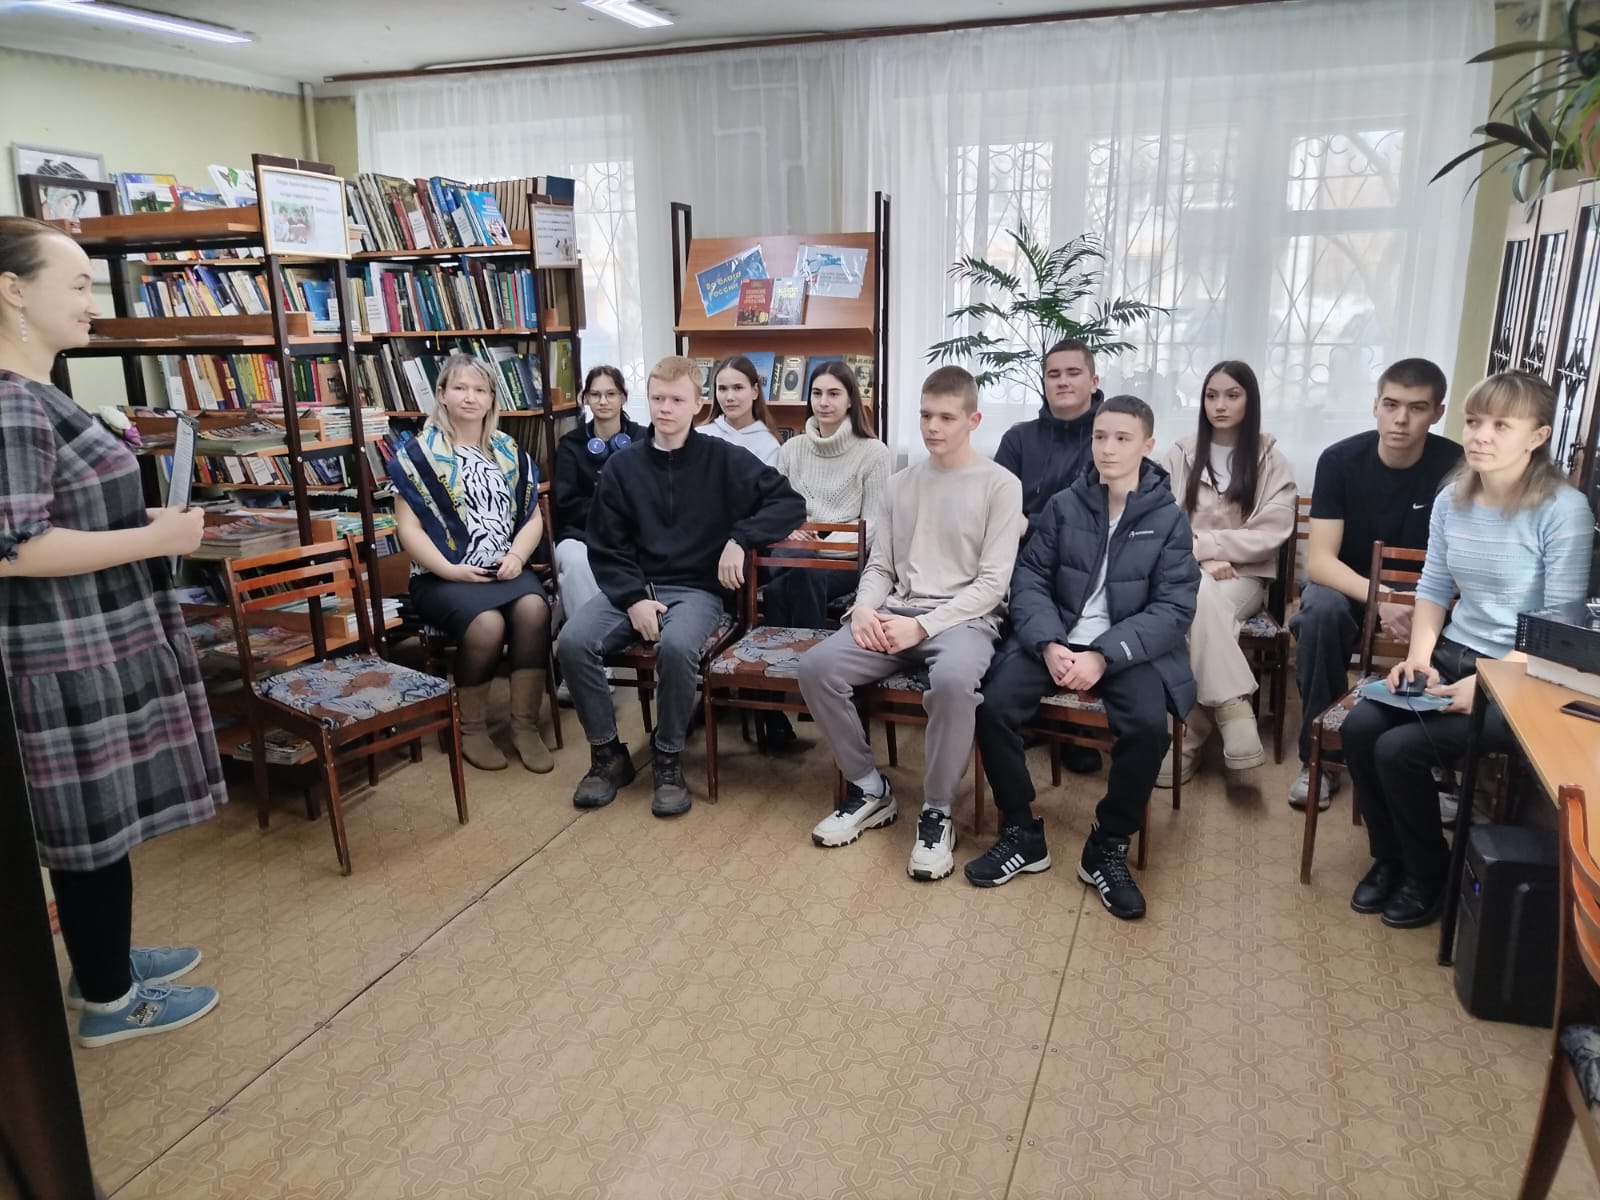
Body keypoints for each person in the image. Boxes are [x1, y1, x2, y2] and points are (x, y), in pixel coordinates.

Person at [0, 215, 222, 1046]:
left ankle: (105, 961)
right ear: (13, 291)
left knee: (101, 825)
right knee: (88, 830)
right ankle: (109, 1002)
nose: (94, 302)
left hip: (96, 640)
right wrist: (154, 540)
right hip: (64, 653)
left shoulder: (41, 391)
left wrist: (143, 521)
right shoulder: (10, 402)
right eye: (79, 285)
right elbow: (14, 547)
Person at [1339, 372, 1593, 929]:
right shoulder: (1452, 499)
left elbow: (1560, 625)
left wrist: (1488, 685)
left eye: (1501, 425)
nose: (1480, 435)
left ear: (1537, 436)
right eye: (1475, 421)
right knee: (1359, 729)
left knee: (1399, 750)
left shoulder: (1564, 509)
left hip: (1525, 679)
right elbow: (1433, 589)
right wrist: (1419, 658)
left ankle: (1428, 873)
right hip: (1452, 654)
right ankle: (1389, 858)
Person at [969, 396, 1199, 920]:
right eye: (1100, 437)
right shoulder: (1065, 505)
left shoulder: (1168, 519)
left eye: (1122, 438)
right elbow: (1029, 578)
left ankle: (1107, 845)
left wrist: (1103, 655)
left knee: (1148, 728)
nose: (1107, 448)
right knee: (992, 705)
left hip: (1126, 649)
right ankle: (1021, 831)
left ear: (1147, 445)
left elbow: (1173, 608)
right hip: (1055, 638)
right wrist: (1048, 642)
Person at [798, 366, 1027, 882]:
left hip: (965, 620)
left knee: (953, 683)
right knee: (816, 668)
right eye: (925, 415)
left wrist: (922, 629)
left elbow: (992, 585)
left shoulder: (1000, 485)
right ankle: (869, 788)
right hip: (895, 611)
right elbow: (881, 565)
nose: (932, 427)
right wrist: (863, 608)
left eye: (946, 417)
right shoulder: (900, 484)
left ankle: (937, 810)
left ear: (973, 420)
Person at [558, 355, 805, 816]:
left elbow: (789, 503)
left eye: (676, 399)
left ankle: (668, 759)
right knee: (572, 641)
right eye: (657, 399)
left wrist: (740, 538)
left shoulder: (725, 459)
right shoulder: (623, 466)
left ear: (698, 404)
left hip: (698, 590)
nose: (665, 408)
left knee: (675, 647)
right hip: (634, 586)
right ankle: (607, 754)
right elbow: (606, 545)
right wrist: (633, 598)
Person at [1288, 358, 1461, 811]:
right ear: (1375, 406)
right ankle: (1318, 759)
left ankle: (1435, 764)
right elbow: (1320, 562)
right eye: (1391, 404)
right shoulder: (1340, 460)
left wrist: (1417, 602)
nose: (1401, 419)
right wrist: (1383, 598)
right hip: (1349, 587)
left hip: (1429, 593)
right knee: (1319, 614)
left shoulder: (1458, 466)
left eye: (1417, 408)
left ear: (1437, 413)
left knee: (1467, 628)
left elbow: (1463, 561)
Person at [389, 354, 554, 773]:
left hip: (504, 570)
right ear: (442, 394)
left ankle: (525, 726)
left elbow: (532, 519)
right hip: (441, 577)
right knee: (487, 624)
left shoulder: (508, 451)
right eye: (460, 388)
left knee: (535, 609)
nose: (470, 397)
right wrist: (450, 570)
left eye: (480, 389)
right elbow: (408, 530)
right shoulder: (419, 456)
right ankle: (472, 730)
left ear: (492, 398)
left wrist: (517, 556)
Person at [1158, 360, 1296, 783]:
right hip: (1185, 573)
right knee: (1198, 599)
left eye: (1232, 395)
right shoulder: (1180, 454)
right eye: (1211, 395)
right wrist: (1197, 560)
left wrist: (1207, 547)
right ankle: (1231, 707)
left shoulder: (1271, 460)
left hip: (1244, 576)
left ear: (1250, 401)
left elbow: (1272, 531)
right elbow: (1157, 521)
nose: (1219, 405)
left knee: (1194, 606)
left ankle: (1185, 739)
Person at [760, 361, 891, 748]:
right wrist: (790, 530)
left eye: (834, 393)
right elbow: (776, 509)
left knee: (795, 578)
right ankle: (799, 694)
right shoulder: (792, 449)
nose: (824, 402)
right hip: (793, 556)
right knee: (790, 578)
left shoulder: (873, 453)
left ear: (851, 399)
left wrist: (818, 541)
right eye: (816, 393)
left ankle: (784, 702)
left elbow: (874, 526)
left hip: (847, 562)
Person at [995, 337, 1107, 776]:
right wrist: (1023, 528)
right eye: (1053, 374)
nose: (1062, 381)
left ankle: (1073, 729)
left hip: (1089, 561)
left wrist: (1032, 523)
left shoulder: (1108, 438)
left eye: (1073, 373)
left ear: (1093, 381)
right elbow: (999, 508)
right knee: (1002, 600)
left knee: (1074, 604)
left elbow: (1098, 514)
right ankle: (1028, 715)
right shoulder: (1018, 439)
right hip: (1022, 558)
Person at [552, 365, 645, 625]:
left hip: (633, 533)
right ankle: (588, 636)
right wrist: (612, 514)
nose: (603, 401)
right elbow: (566, 504)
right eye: (595, 394)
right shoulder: (570, 445)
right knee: (576, 561)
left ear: (623, 397)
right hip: (581, 535)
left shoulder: (644, 439)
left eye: (611, 394)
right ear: (585, 399)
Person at [697, 355, 782, 466]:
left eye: (738, 388)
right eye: (722, 388)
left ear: (755, 391)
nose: (729, 397)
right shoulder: (700, 436)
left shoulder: (769, 444)